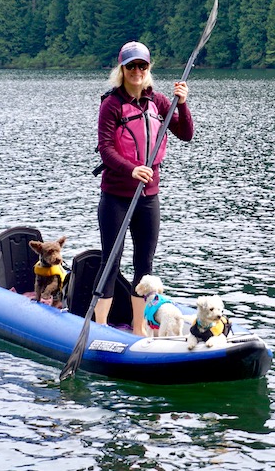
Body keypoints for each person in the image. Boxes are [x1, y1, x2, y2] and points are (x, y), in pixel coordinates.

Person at [93, 41, 194, 336]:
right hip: (116, 196)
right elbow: (106, 148)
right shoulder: (111, 104)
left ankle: (138, 328)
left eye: (142, 66)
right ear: (122, 69)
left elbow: (186, 134)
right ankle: (99, 328)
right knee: (110, 261)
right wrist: (131, 168)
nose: (137, 71)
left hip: (148, 198)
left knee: (144, 265)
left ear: (148, 69)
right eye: (131, 66)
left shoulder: (160, 102)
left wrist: (183, 104)